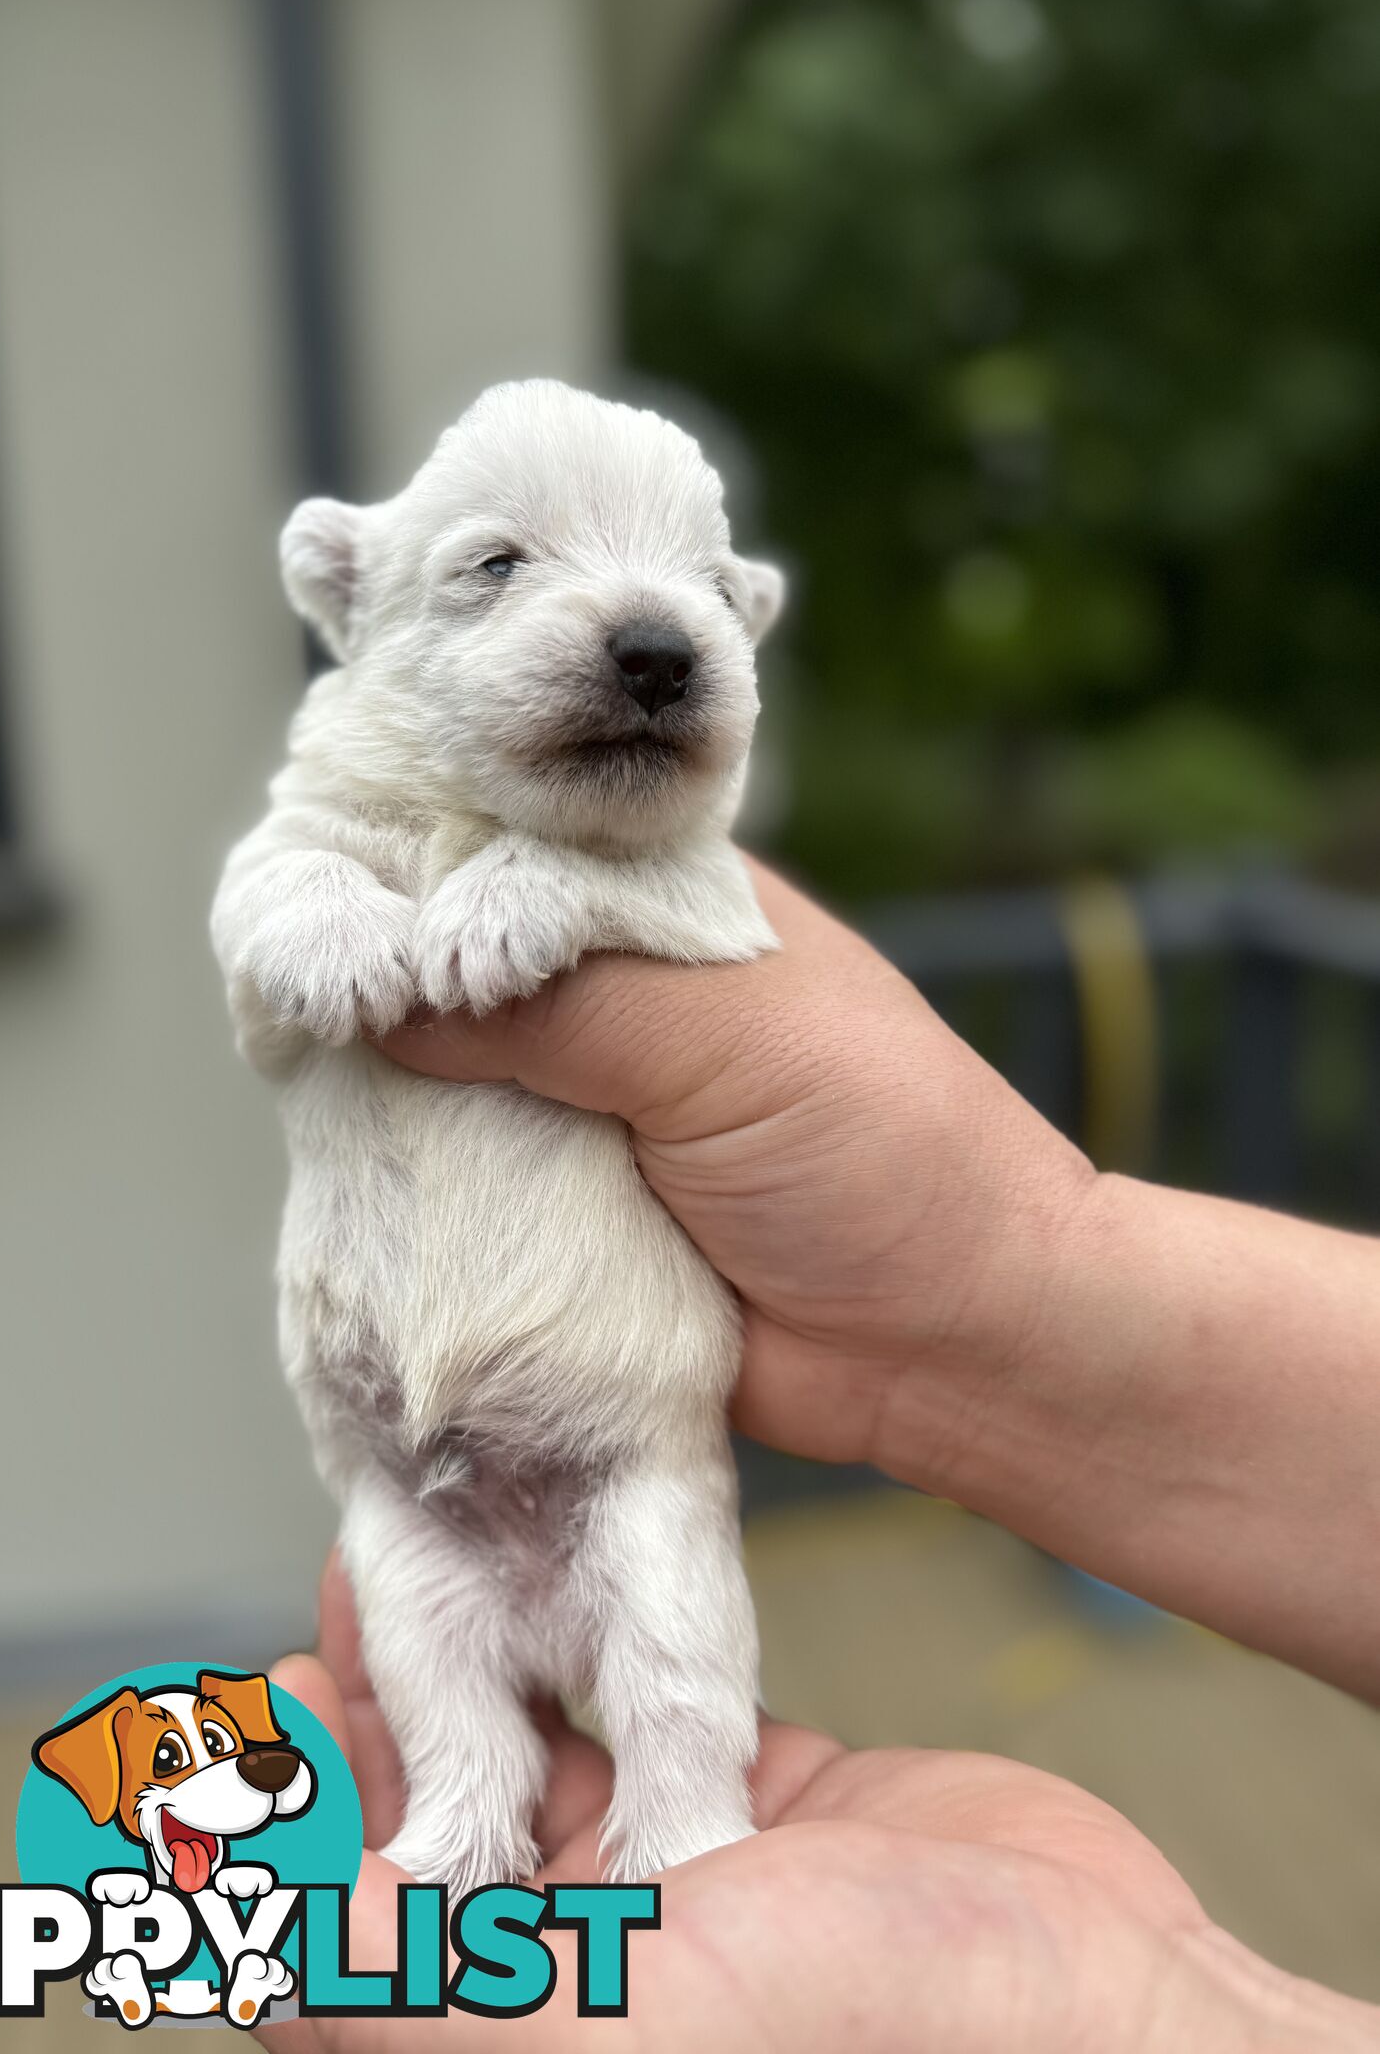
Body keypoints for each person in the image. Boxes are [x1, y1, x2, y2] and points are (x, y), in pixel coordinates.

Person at [260, 862, 1380, 2052]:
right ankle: (467, 1823)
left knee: (662, 1636)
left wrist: (1141, 2014)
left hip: (620, 1439)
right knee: (443, 1666)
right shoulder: (345, 843)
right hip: (448, 1453)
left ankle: (682, 1824)